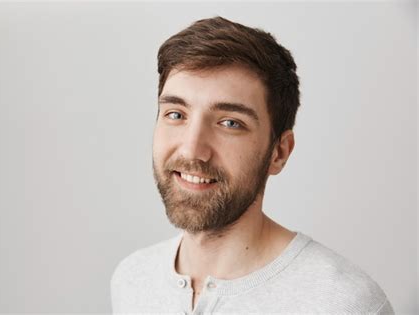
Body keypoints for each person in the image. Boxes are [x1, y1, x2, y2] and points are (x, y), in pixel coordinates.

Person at [111, 16, 394, 314]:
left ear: (279, 153)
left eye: (230, 123)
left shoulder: (343, 303)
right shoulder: (131, 280)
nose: (192, 149)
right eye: (176, 114)